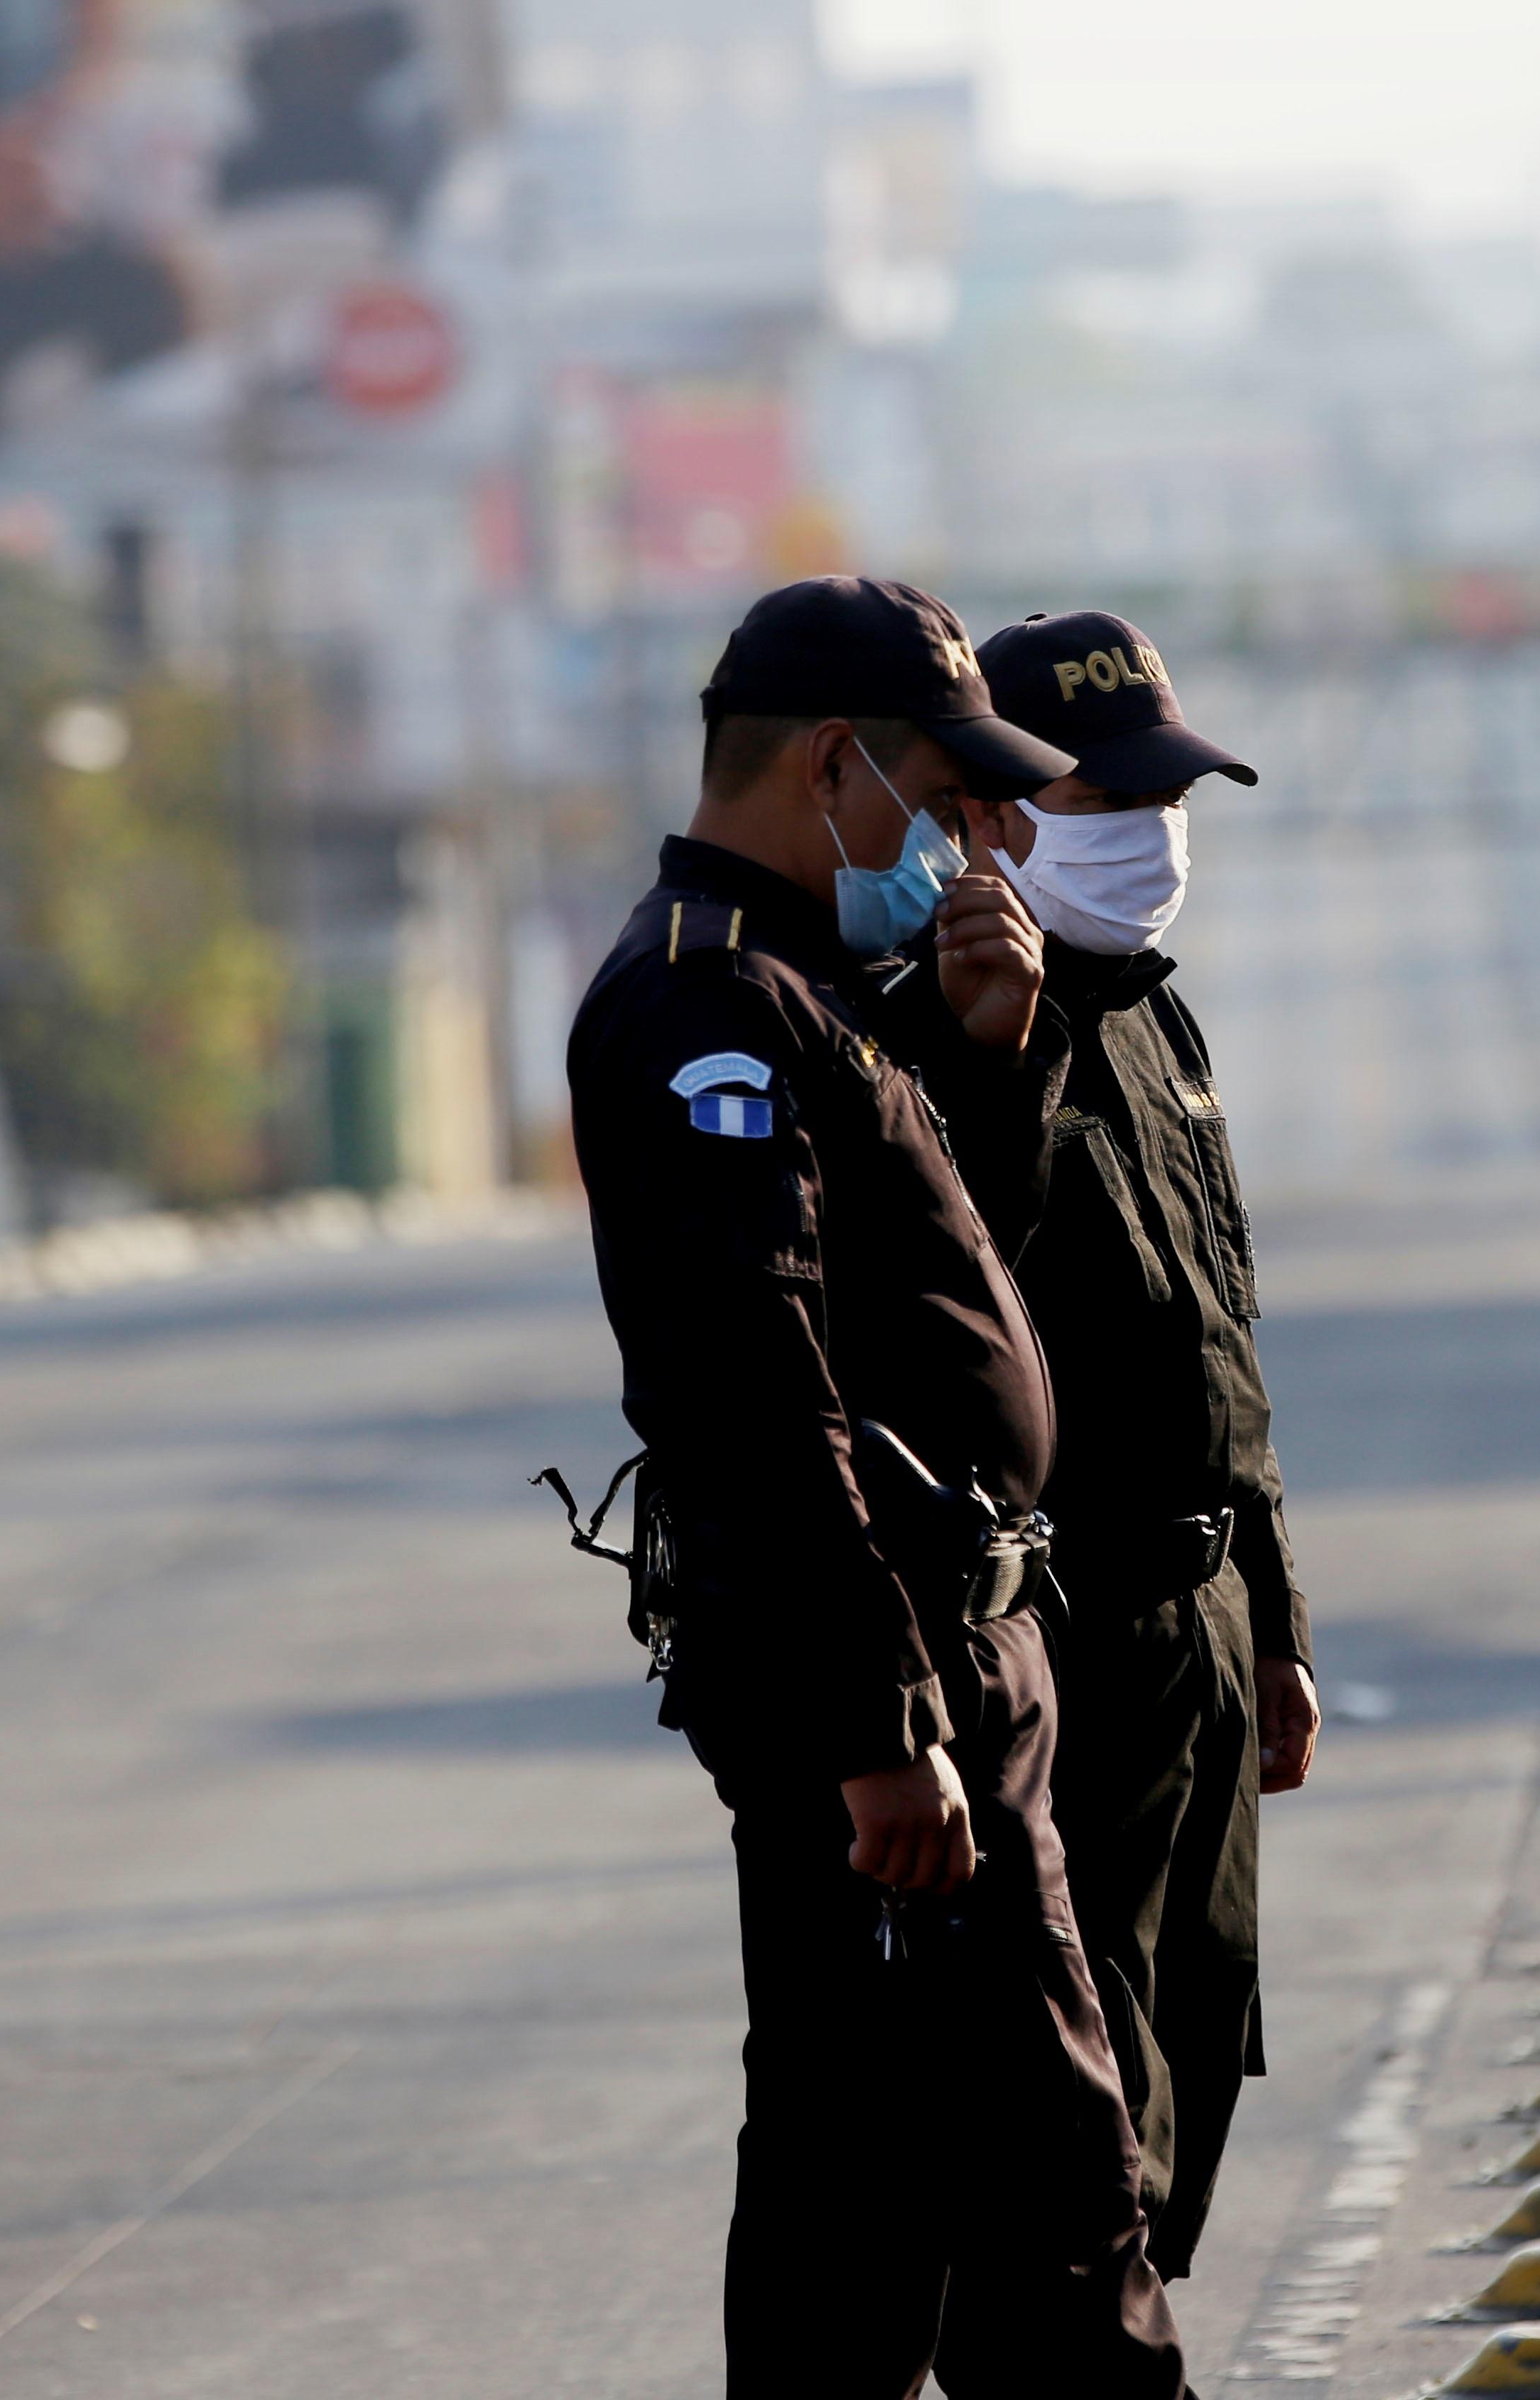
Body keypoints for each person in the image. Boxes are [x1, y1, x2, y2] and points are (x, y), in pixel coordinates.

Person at [565, 577, 1195, 2399]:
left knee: (873, 2206)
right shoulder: (710, 1010)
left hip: (944, 1670)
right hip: (896, 1691)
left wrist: (989, 1075)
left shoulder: (813, 988)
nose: (982, 835)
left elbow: (925, 1297)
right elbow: (758, 1392)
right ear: (835, 766)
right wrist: (879, 1723)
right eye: (950, 791)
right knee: (1043, 2207)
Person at [919, 607, 1320, 2283]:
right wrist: (997, 1057)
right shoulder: (941, 1036)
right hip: (1070, 1635)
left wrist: (1280, 1630)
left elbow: (1224, 1346)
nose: (1154, 842)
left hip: (1208, 1630)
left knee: (1202, 2044)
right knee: (1091, 2116)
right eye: (1110, 805)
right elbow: (953, 1323)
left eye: (1169, 802)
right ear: (997, 818)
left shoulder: (1158, 1021)